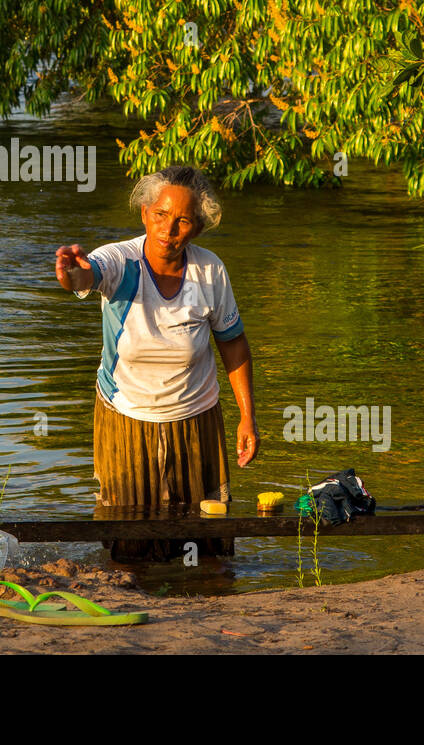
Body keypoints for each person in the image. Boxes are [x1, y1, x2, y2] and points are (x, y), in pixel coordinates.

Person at [55, 164, 257, 561]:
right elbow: (86, 277)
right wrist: (71, 275)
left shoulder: (210, 269)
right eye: (161, 215)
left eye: (183, 221)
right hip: (126, 417)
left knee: (205, 537)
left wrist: (247, 417)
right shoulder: (119, 261)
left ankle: (207, 596)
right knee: (127, 541)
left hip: (197, 418)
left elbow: (233, 343)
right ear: (145, 213)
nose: (169, 229)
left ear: (197, 227)